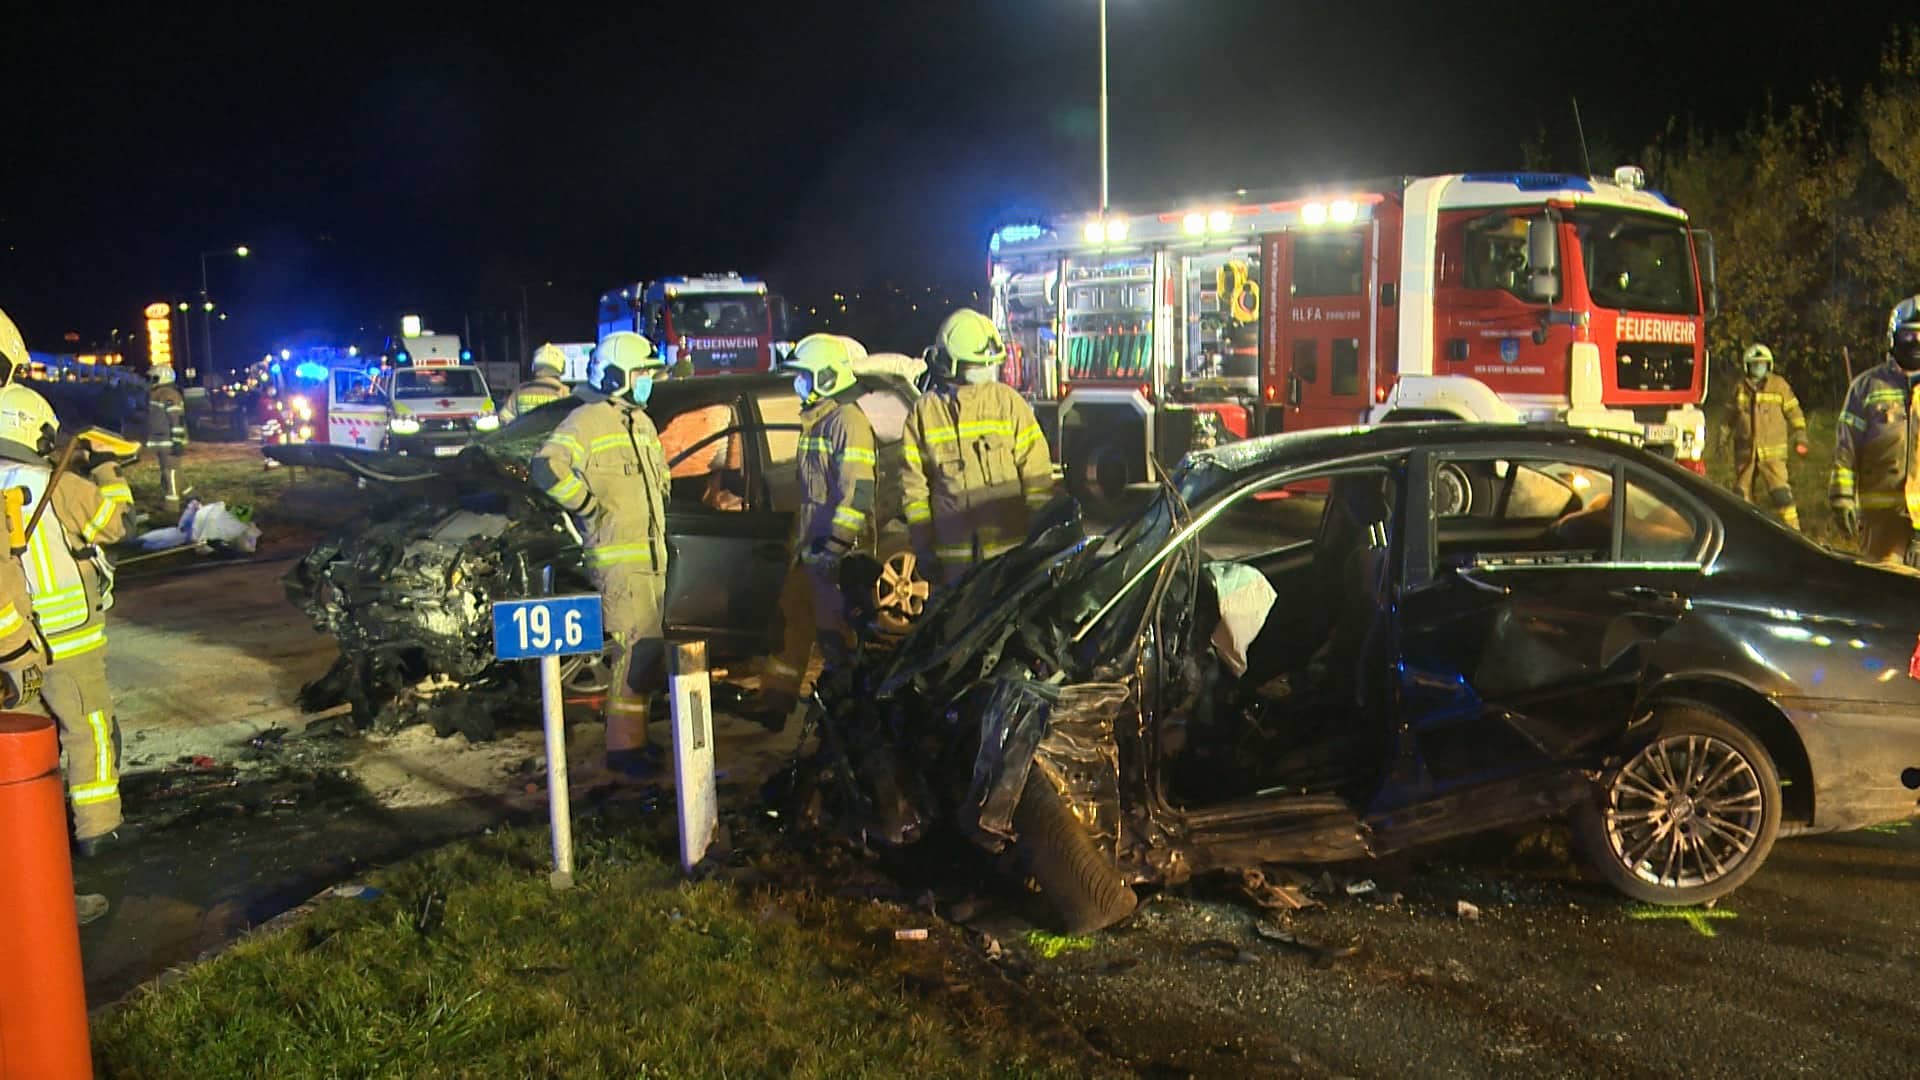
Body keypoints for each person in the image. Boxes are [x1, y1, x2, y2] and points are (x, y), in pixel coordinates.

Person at [530, 332, 670, 776]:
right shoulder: (588, 420)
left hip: (651, 560)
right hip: (620, 562)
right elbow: (545, 466)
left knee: (645, 654)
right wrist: (588, 506)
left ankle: (633, 739)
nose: (649, 381)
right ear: (617, 377)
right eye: (643, 373)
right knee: (636, 652)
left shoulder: (642, 423)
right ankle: (624, 749)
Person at [0, 385, 133, 853]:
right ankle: (98, 829)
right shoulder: (61, 487)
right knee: (90, 730)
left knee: (26, 744)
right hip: (71, 642)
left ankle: (31, 836)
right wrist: (106, 468)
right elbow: (116, 525)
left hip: (15, 653)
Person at [759, 334, 877, 724]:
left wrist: (836, 548)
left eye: (804, 377)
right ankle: (775, 705)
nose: (799, 386)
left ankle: (847, 713)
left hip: (832, 556)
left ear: (826, 377)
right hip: (810, 552)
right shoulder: (817, 421)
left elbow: (857, 492)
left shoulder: (847, 422)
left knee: (835, 636)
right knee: (788, 624)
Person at [900, 308, 1054, 585]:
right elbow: (914, 490)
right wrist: (924, 546)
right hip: (954, 569)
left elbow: (1037, 476)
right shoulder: (924, 413)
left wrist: (1040, 538)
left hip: (1009, 561)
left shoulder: (1008, 403)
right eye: (977, 365)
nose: (985, 372)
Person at [1832, 296, 1920, 564]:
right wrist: (1842, 497)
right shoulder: (1866, 388)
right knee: (1883, 593)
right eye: (1908, 336)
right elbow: (1846, 449)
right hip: (1882, 519)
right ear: (1893, 338)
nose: (1916, 343)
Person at [1728, 343, 1809, 530]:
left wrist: (1800, 435)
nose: (1758, 367)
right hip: (1746, 454)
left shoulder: (1779, 386)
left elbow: (1794, 411)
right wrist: (1722, 437)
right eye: (1754, 364)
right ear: (1747, 366)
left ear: (1769, 365)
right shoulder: (1740, 388)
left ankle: (1795, 534)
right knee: (1741, 497)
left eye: (1762, 364)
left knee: (1781, 496)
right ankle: (1745, 535)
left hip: (1772, 455)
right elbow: (1729, 415)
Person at [146, 363, 189, 510]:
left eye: (154, 377)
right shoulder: (159, 394)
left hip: (169, 440)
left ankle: (172, 505)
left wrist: (177, 441)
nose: (151, 380)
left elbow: (176, 419)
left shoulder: (169, 395)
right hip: (162, 439)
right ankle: (192, 496)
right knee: (172, 470)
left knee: (170, 472)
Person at [498, 343, 571, 423]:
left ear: (533, 366)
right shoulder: (564, 392)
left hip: (525, 435)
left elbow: (504, 417)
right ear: (562, 367)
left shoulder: (521, 390)